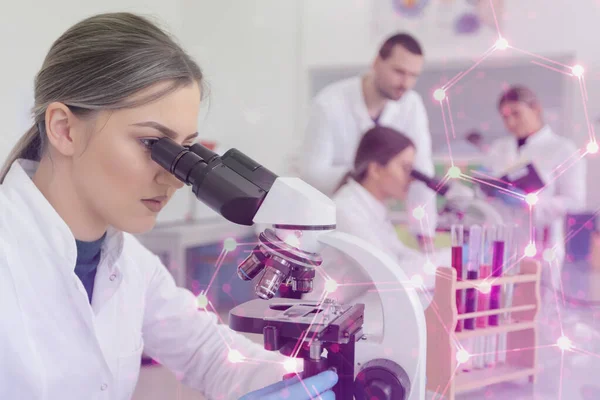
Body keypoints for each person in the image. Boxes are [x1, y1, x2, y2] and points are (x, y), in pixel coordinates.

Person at [0, 13, 337, 400]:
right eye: (151, 143)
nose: (175, 177)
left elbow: (208, 353)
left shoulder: (129, 261)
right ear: (65, 129)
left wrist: (300, 381)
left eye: (184, 151)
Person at [295, 32, 438, 251]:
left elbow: (421, 170)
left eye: (413, 75)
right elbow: (312, 173)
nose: (405, 83)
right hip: (325, 219)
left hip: (368, 211)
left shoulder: (411, 104)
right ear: (376, 62)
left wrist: (425, 239)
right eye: (399, 72)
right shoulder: (329, 103)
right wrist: (367, 176)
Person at [484, 85, 587, 284]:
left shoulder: (562, 149)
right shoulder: (498, 149)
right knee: (501, 303)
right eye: (505, 117)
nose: (511, 122)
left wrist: (530, 202)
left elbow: (575, 201)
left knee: (538, 306)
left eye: (516, 113)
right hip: (502, 243)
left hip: (543, 244)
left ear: (536, 108)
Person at [332, 126, 450, 293]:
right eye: (405, 168)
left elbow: (402, 256)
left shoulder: (373, 209)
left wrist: (447, 258)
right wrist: (453, 260)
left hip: (360, 307)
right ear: (375, 170)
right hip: (328, 314)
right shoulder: (345, 210)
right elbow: (390, 276)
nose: (411, 179)